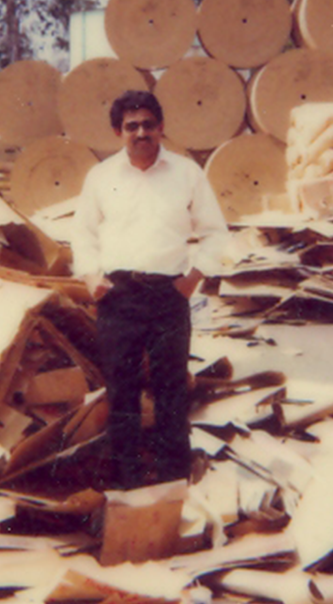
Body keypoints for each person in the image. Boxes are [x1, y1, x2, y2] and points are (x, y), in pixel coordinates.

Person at [73, 90, 232, 492]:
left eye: (148, 124)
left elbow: (216, 234)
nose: (141, 132)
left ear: (161, 128)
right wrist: (92, 278)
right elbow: (83, 236)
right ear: (117, 132)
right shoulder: (101, 177)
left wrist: (192, 280)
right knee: (121, 395)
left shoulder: (186, 174)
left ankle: (173, 482)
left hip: (168, 296)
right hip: (118, 297)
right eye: (132, 126)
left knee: (170, 392)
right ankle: (127, 484)